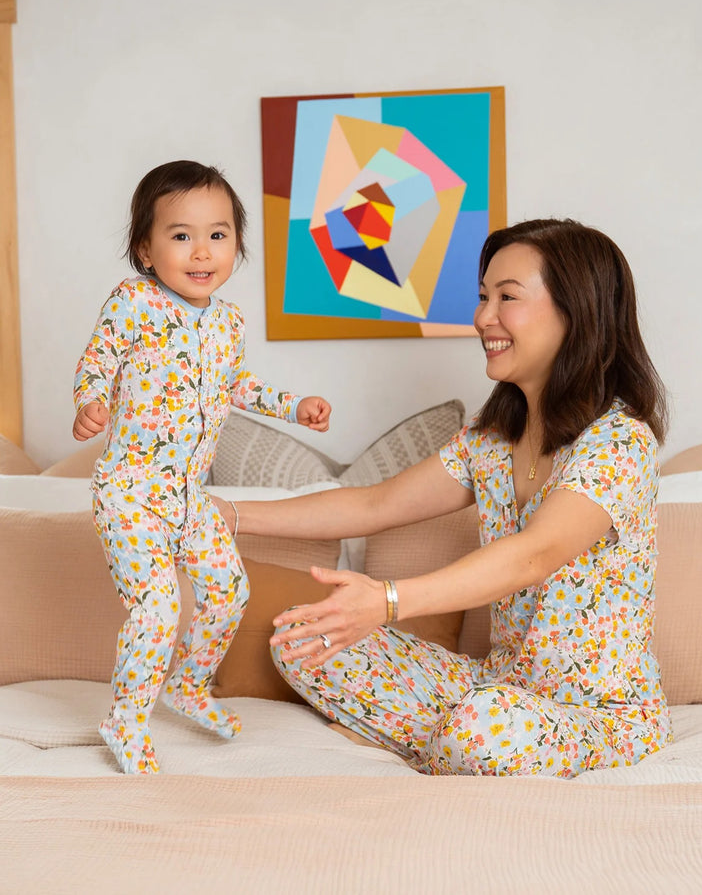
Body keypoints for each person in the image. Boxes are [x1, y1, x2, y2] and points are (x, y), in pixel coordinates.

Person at [212, 217, 670, 778]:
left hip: (599, 714)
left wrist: (386, 600)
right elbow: (373, 505)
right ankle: (448, 741)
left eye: (507, 297)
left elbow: (535, 554)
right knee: (302, 637)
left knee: (481, 727)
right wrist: (224, 513)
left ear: (578, 312)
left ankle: (432, 743)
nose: (483, 318)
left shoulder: (620, 440)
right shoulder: (492, 436)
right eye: (483, 297)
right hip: (497, 687)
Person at [73, 160, 331, 774]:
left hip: (191, 497)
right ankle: (127, 718)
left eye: (218, 234)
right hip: (131, 491)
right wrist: (89, 401)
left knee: (228, 592)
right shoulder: (132, 301)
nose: (201, 251)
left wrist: (294, 406)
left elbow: (237, 385)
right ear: (145, 247)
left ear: (237, 245)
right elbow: (97, 361)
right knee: (158, 607)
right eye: (180, 234)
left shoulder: (228, 321)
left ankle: (188, 687)